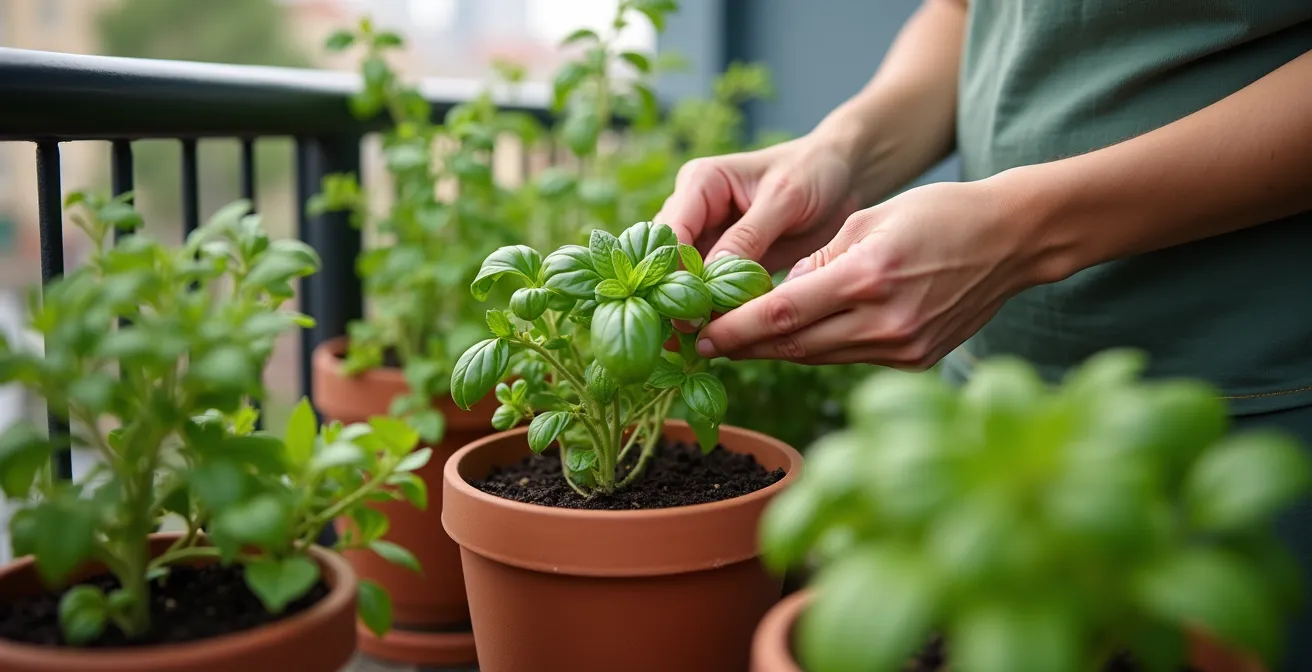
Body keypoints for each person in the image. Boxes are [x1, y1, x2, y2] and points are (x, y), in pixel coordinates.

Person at [654, 0, 1312, 667]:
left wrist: (1022, 232)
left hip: (1243, 404)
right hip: (986, 413)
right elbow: (971, 12)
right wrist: (840, 154)